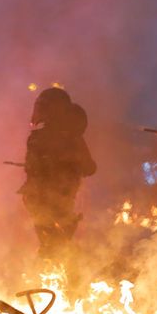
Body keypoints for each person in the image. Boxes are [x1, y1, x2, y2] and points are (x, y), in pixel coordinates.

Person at [20, 88, 96, 263]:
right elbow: (89, 168)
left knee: (54, 244)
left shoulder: (42, 138)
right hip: (47, 198)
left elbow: (89, 168)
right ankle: (60, 277)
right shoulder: (69, 138)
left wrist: (65, 162)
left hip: (47, 199)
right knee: (56, 244)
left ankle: (57, 277)